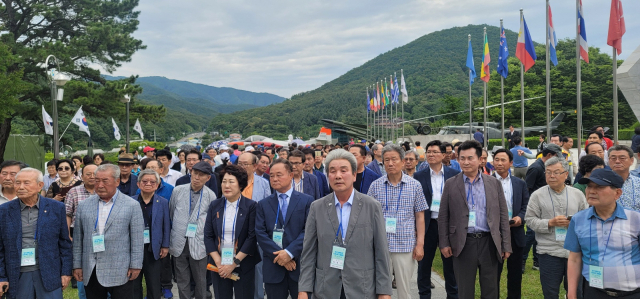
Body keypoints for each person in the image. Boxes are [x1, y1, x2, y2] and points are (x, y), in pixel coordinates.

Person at [298, 149, 392, 299]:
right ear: (328, 175)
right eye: (333, 171)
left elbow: (381, 252)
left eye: (344, 170)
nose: (338, 176)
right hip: (326, 287)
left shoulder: (371, 206)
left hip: (362, 287)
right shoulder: (317, 207)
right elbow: (309, 252)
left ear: (354, 175)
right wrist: (303, 289)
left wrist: (384, 292)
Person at [438, 140, 511, 299]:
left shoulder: (493, 183)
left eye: (470, 158)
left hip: (489, 242)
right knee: (464, 290)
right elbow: (443, 216)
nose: (465, 162)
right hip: (463, 243)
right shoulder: (451, 184)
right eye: (462, 158)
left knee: (491, 289)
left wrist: (506, 244)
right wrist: (444, 243)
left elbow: (503, 215)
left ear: (480, 160)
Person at [565, 168, 640, 298]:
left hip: (632, 293)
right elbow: (574, 259)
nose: (592, 191)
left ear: (617, 193)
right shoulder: (578, 220)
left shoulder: (635, 219)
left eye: (599, 187)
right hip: (594, 292)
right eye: (589, 186)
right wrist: (571, 293)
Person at [72, 164, 144, 299]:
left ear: (117, 181)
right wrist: (77, 265)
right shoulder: (84, 205)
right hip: (92, 268)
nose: (99, 185)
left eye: (105, 181)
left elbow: (137, 239)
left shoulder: (131, 205)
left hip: (120, 268)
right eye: (97, 180)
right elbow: (78, 239)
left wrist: (136, 265)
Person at [0, 168, 72, 299]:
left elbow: (64, 243)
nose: (20, 187)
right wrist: (1, 277)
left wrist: (66, 272)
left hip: (49, 273)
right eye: (18, 183)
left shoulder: (56, 208)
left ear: (40, 185)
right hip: (17, 274)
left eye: (26, 183)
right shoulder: (4, 211)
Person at [367, 144, 427, 299]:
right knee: (380, 288)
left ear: (402, 161)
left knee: (404, 289)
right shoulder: (375, 186)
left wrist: (420, 244)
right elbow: (368, 217)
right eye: (386, 160)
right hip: (380, 244)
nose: (390, 163)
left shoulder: (414, 185)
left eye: (394, 159)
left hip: (404, 244)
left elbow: (420, 216)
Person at [525, 157, 588, 299]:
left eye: (556, 172)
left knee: (576, 292)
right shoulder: (537, 195)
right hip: (548, 251)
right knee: (550, 292)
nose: (551, 176)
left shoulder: (577, 194)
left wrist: (574, 223)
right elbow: (529, 220)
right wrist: (550, 223)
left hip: (574, 252)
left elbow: (586, 220)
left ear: (566, 174)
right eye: (548, 172)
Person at [254, 158, 313, 299]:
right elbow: (260, 233)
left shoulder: (307, 201)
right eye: (272, 175)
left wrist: (290, 253)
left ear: (291, 175)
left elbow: (309, 231)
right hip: (273, 267)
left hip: (299, 266)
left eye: (279, 175)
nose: (274, 179)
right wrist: (281, 257)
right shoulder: (263, 204)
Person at [203, 165, 260, 299]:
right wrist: (218, 261)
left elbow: (252, 237)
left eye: (231, 182)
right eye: (224, 181)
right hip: (219, 264)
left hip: (243, 262)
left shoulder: (251, 206)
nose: (226, 185)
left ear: (241, 185)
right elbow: (208, 235)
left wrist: (234, 263)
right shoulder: (215, 205)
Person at [413, 140, 460, 299]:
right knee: (424, 265)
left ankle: (453, 295)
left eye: (435, 152)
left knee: (450, 265)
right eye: (429, 152)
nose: (431, 155)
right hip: (428, 224)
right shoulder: (419, 176)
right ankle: (424, 295)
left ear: (443, 155)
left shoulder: (454, 174)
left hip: (448, 225)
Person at [169, 161, 217, 299]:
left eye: (201, 175)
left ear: (208, 178)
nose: (196, 177)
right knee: (182, 279)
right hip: (179, 241)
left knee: (200, 280)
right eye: (195, 173)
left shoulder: (211, 195)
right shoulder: (178, 190)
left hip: (199, 243)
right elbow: (172, 212)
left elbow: (211, 223)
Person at [492, 149, 530, 299]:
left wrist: (520, 217)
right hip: (494, 234)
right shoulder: (485, 181)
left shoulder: (519, 183)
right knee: (493, 274)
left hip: (515, 233)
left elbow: (526, 206)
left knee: (515, 275)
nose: (499, 163)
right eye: (497, 160)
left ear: (511, 163)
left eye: (503, 160)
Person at [523, 143, 563, 272]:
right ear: (550, 155)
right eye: (557, 156)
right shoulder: (536, 168)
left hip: (546, 207)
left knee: (539, 234)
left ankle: (537, 261)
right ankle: (521, 260)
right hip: (534, 207)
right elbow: (526, 188)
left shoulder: (545, 167)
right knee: (530, 234)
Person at [237, 152, 271, 299]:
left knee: (257, 268)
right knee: (236, 267)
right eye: (240, 164)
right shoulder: (231, 182)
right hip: (236, 232)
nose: (242, 167)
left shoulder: (263, 183)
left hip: (256, 232)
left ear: (254, 166)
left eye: (246, 164)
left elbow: (268, 207)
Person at [132, 169, 170, 299]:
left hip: (153, 249)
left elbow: (166, 225)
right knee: (134, 285)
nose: (148, 184)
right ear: (138, 184)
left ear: (157, 184)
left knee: (154, 285)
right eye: (145, 181)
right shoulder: (131, 202)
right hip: (134, 249)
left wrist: (165, 245)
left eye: (152, 181)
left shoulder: (163, 202)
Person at [606, 145, 640, 212]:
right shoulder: (601, 184)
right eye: (613, 158)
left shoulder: (638, 182)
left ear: (632, 160)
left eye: (622, 158)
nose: (617, 161)